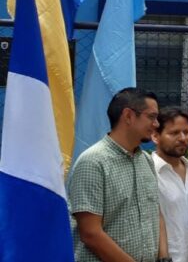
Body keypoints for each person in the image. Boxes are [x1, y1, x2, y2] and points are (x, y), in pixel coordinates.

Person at [68, 87, 170, 262]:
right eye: (151, 117)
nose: (157, 124)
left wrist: (164, 257)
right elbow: (90, 233)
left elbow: (154, 212)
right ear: (129, 116)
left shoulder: (145, 160)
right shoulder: (93, 162)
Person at [152, 107, 188, 262]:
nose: (183, 138)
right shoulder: (149, 172)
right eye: (174, 133)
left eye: (186, 132)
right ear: (155, 136)